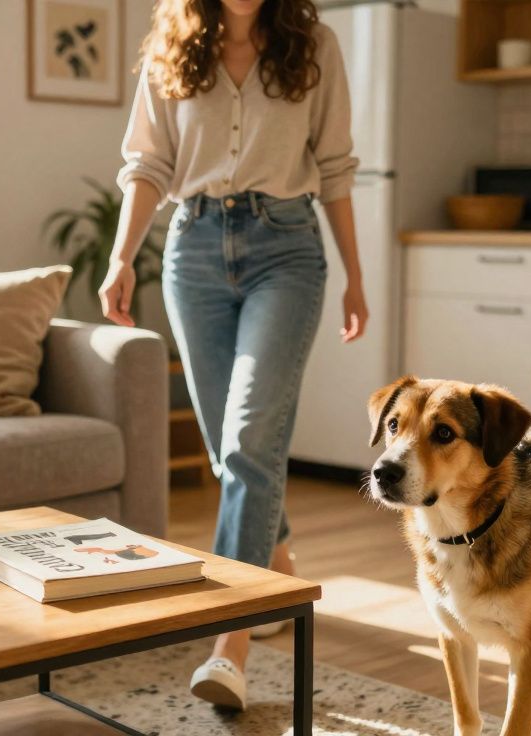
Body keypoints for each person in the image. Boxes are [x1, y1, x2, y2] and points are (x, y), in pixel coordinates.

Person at [102, 0, 366, 710]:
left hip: (287, 251)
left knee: (250, 436)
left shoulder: (315, 47)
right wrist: (122, 257)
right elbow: (147, 164)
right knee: (234, 448)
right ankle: (274, 569)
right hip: (192, 252)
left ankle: (231, 642)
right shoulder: (172, 49)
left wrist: (356, 279)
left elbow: (336, 166)